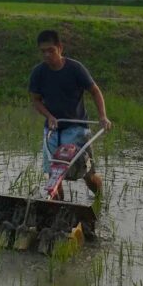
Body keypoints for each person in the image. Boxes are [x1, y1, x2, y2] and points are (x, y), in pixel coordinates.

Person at [28, 29, 111, 197]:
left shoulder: (75, 69)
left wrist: (102, 116)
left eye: (50, 50)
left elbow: (95, 91)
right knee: (53, 176)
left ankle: (100, 196)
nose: (47, 55)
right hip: (52, 130)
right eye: (43, 51)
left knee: (86, 175)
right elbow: (36, 100)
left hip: (77, 128)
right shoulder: (38, 73)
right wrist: (49, 116)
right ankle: (60, 210)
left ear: (60, 48)